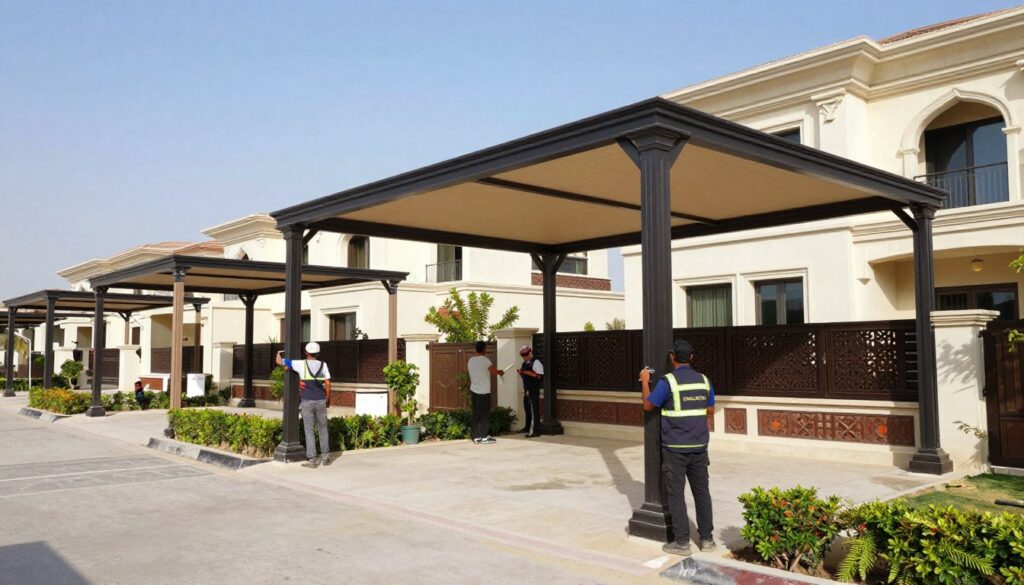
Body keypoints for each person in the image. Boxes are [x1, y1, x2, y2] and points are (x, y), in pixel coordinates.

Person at [639, 339, 715, 557]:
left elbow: (648, 405)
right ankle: (707, 539)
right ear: (691, 357)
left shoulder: (668, 382)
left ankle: (682, 542)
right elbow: (710, 409)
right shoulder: (704, 380)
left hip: (675, 448)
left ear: (672, 358)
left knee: (676, 495)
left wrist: (645, 381)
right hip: (699, 447)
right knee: (702, 493)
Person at [276, 342, 332, 468]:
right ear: (318, 353)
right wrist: (328, 398)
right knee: (323, 429)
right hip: (321, 401)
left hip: (307, 401)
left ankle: (312, 460)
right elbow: (328, 383)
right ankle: (326, 457)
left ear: (306, 353)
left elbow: (279, 361)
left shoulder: (301, 364)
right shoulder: (323, 365)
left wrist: (278, 354)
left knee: (309, 430)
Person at [466, 341, 502, 445]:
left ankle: (476, 437)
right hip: (484, 392)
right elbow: (494, 371)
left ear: (476, 349)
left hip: (474, 390)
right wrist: (500, 372)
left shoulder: (471, 360)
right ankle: (484, 437)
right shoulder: (485, 361)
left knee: (475, 413)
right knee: (485, 414)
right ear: (484, 349)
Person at [517, 345, 543, 438]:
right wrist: (521, 373)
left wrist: (525, 372)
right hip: (527, 390)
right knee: (527, 409)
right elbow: (525, 377)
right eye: (522, 355)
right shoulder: (524, 364)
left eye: (525, 354)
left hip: (534, 390)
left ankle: (535, 431)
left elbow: (539, 376)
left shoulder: (536, 362)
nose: (524, 357)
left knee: (534, 410)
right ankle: (527, 427)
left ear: (530, 353)